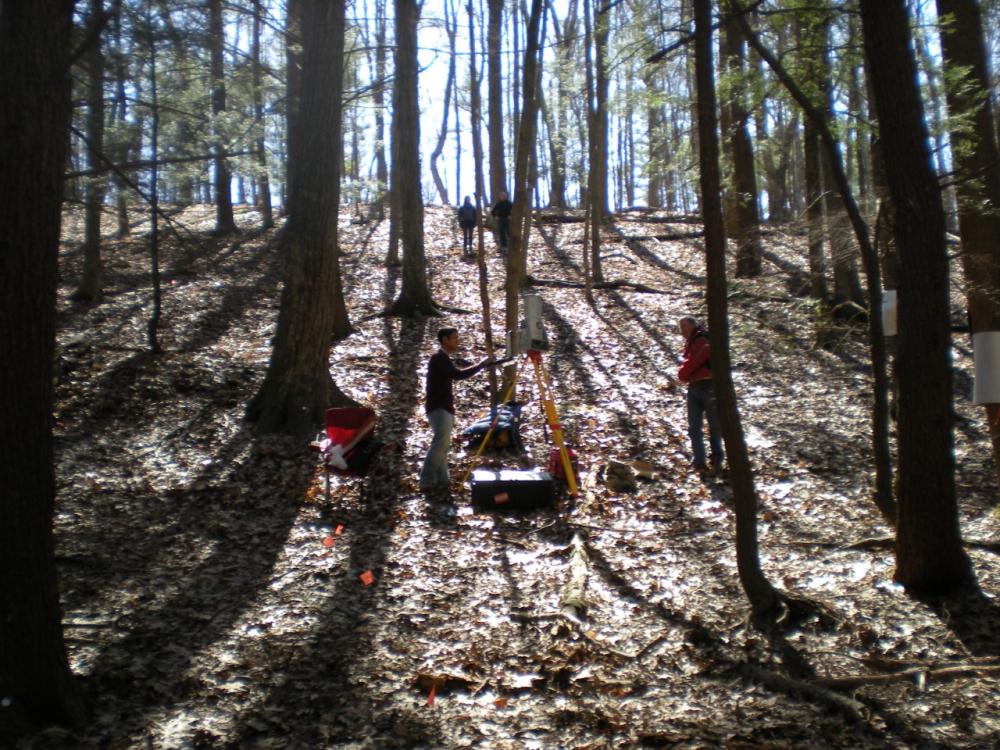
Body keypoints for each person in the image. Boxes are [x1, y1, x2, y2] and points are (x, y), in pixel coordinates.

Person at [419, 327, 492, 492]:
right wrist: (481, 364)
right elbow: (457, 375)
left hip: (444, 408)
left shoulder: (443, 358)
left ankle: (443, 481)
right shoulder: (438, 358)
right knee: (440, 444)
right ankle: (426, 480)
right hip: (438, 408)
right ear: (444, 339)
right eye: (454, 338)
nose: (457, 341)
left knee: (443, 445)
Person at [677, 315, 723, 475]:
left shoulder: (702, 341)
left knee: (714, 425)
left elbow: (688, 368)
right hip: (694, 388)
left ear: (693, 325)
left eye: (684, 326)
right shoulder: (692, 342)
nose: (681, 330)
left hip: (708, 388)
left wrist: (686, 375)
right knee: (694, 427)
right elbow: (690, 368)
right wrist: (691, 375)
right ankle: (699, 461)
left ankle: (716, 458)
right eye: (680, 327)